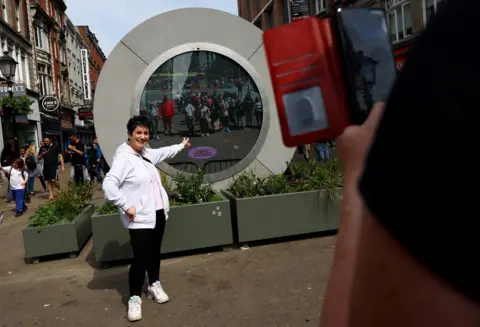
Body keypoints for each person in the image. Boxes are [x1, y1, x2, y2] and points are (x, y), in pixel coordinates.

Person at [102, 115, 191, 322]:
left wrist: (181, 145)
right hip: (140, 218)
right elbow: (109, 185)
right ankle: (134, 297)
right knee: (140, 258)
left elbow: (162, 152)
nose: (143, 137)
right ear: (130, 135)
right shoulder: (124, 158)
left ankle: (154, 285)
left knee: (154, 253)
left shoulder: (146, 154)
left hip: (158, 213)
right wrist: (125, 205)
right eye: (138, 133)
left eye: (145, 133)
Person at [39, 137, 64, 201]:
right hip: (46, 166)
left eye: (47, 141)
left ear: (50, 140)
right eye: (44, 141)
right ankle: (51, 195)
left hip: (54, 166)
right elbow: (38, 158)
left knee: (53, 180)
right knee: (48, 181)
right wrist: (42, 154)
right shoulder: (42, 148)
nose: (45, 142)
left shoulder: (56, 146)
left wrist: (63, 166)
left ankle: (59, 188)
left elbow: (60, 156)